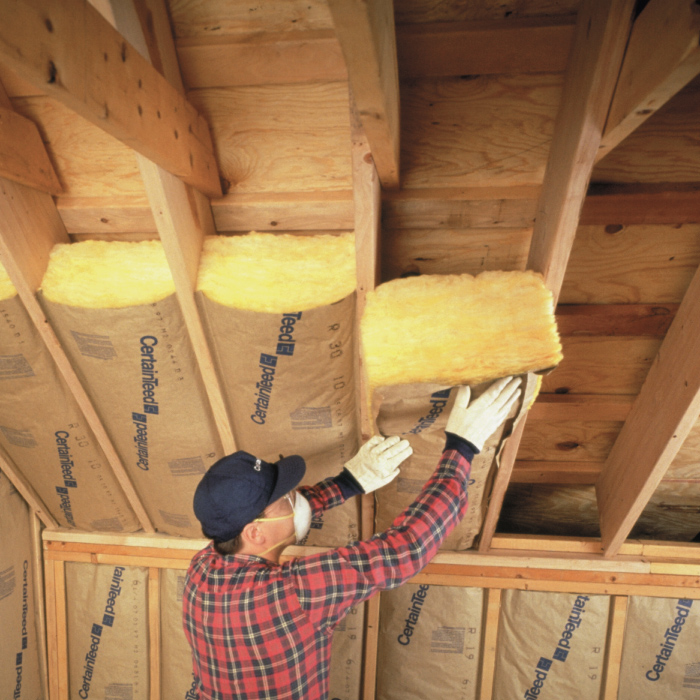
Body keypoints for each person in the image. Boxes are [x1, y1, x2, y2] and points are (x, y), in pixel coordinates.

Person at [183, 376, 522, 700]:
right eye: (285, 498)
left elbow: (285, 516)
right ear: (255, 532)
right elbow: (406, 548)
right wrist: (462, 447)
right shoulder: (295, 593)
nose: (296, 498)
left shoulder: (202, 568)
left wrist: (349, 483)